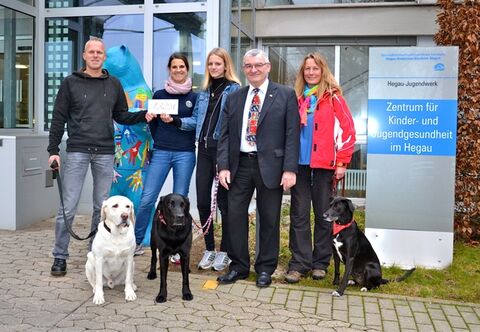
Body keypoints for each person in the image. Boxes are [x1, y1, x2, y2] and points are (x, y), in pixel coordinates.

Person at [47, 37, 154, 277]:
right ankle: (60, 255)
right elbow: (58, 118)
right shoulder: (70, 83)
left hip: (106, 152)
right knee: (69, 206)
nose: (96, 56)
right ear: (84, 56)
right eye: (91, 52)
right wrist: (53, 150)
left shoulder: (114, 84)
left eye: (100, 52)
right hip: (77, 150)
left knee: (102, 207)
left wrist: (144, 115)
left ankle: (95, 252)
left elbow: (122, 115)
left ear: (104, 57)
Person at [216, 49, 300, 288]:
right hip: (239, 165)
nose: (254, 70)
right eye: (249, 66)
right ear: (243, 69)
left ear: (268, 67)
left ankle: (265, 269)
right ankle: (239, 267)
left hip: (272, 167)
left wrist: (290, 169)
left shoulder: (284, 95)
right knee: (234, 217)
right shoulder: (234, 97)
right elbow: (225, 136)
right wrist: (223, 166)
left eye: (258, 65)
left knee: (270, 219)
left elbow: (292, 134)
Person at [284, 52, 356, 284]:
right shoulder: (295, 98)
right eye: (307, 69)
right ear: (302, 73)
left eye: (315, 68)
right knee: (299, 214)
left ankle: (320, 263)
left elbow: (348, 131)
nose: (311, 72)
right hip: (299, 166)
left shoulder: (334, 98)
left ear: (323, 71)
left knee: (324, 215)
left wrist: (343, 161)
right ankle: (299, 263)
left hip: (325, 166)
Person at [176, 48, 241, 271]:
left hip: (223, 153)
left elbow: (234, 125)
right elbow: (196, 120)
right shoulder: (203, 92)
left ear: (226, 65)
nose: (214, 68)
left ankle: (225, 252)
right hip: (203, 151)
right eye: (210, 64)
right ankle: (210, 249)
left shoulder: (234, 90)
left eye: (218, 64)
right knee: (203, 202)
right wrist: (176, 121)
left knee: (225, 205)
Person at [134, 52, 197, 260]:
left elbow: (196, 125)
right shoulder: (159, 94)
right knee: (147, 199)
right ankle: (135, 241)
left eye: (182, 67)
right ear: (169, 69)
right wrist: (149, 116)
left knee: (180, 204)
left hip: (185, 154)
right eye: (174, 67)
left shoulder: (194, 97)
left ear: (187, 69)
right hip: (161, 151)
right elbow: (152, 125)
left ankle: (176, 248)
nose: (178, 70)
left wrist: (176, 121)